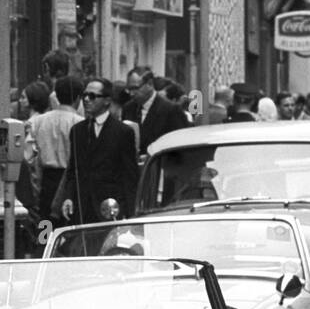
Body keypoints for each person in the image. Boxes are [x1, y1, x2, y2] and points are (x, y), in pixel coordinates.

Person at [57, 77, 139, 224]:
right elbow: (73, 169)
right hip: (81, 209)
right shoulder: (77, 131)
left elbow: (130, 176)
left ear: (107, 100)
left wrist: (130, 213)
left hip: (110, 208)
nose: (86, 100)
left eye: (93, 96)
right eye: (84, 95)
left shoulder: (123, 132)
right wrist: (68, 197)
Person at [25, 75, 83, 230]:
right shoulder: (80, 124)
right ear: (78, 98)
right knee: (70, 227)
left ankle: (45, 250)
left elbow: (29, 157)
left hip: (47, 182)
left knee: (46, 225)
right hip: (71, 182)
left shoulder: (38, 122)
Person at [121, 66, 189, 154]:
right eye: (129, 89)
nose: (132, 93)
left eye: (135, 88)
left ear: (149, 84)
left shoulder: (171, 110)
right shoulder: (128, 108)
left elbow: (181, 147)